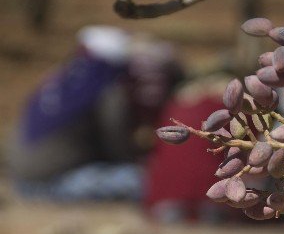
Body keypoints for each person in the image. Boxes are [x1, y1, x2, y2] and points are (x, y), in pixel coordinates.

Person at [7, 25, 184, 201]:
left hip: (20, 180)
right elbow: (117, 148)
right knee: (147, 178)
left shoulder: (55, 81)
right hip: (59, 182)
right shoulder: (108, 91)